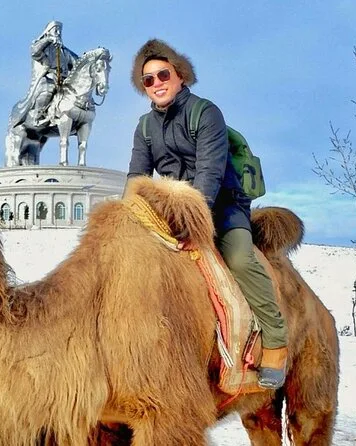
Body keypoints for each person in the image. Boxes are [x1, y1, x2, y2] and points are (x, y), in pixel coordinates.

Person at [126, 39, 288, 389]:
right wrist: (128, 215)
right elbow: (137, 176)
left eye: (163, 75)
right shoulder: (145, 127)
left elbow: (209, 174)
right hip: (172, 209)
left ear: (180, 75)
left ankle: (276, 342)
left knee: (240, 258)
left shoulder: (206, 113)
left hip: (222, 205)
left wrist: (192, 221)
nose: (156, 83)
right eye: (148, 80)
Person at [9, 21, 78, 129]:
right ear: (49, 31)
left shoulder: (64, 51)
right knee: (48, 88)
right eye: (56, 30)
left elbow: (77, 63)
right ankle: (38, 116)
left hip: (64, 80)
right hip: (50, 77)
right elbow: (35, 52)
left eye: (60, 31)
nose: (58, 33)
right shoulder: (44, 46)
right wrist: (48, 40)